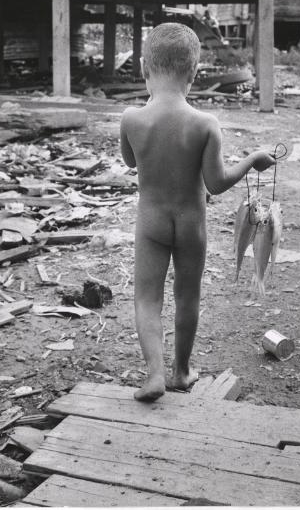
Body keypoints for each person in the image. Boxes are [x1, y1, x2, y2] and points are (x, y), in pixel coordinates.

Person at [120, 23, 275, 402]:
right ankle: (181, 370)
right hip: (191, 225)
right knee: (187, 296)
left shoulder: (131, 119)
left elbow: (129, 161)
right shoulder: (206, 124)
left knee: (147, 298)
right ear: (193, 73)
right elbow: (218, 182)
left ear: (143, 69)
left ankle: (154, 373)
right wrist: (252, 158)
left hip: (151, 224)